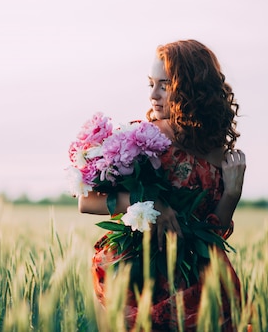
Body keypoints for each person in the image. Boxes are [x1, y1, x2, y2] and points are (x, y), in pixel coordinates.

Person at [79, 40, 246, 331]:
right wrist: (148, 205)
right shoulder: (141, 139)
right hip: (143, 282)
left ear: (192, 89)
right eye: (150, 84)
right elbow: (86, 201)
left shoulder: (215, 150)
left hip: (198, 288)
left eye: (164, 85)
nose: (153, 96)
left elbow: (210, 235)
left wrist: (231, 194)